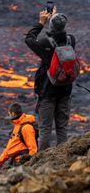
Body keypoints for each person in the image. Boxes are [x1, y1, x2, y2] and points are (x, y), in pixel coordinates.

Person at [25, 8, 76, 149]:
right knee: (62, 129)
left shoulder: (45, 43)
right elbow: (60, 35)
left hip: (48, 93)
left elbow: (29, 39)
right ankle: (62, 159)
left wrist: (41, 23)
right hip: (65, 91)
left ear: (51, 26)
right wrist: (55, 20)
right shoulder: (71, 40)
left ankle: (42, 162)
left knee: (45, 130)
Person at [0, 103, 38, 170]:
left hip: (23, 162)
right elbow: (10, 148)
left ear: (13, 114)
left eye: (9, 114)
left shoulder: (26, 128)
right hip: (17, 160)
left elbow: (33, 149)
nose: (9, 116)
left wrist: (30, 165)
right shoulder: (17, 125)